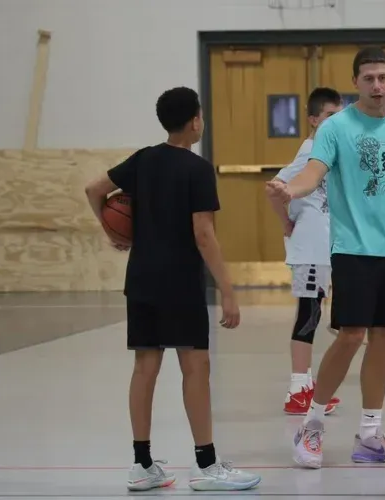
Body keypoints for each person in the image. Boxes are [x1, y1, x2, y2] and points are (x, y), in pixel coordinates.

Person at [266, 46, 385, 469]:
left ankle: (370, 435)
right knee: (351, 335)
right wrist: (290, 190)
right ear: (356, 82)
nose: (377, 85)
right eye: (368, 79)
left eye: (383, 77)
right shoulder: (336, 128)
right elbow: (313, 174)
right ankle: (312, 425)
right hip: (354, 248)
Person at [83, 87, 261, 491]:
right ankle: (206, 465)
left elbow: (94, 190)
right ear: (196, 121)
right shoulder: (198, 169)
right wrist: (228, 290)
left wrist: (112, 231)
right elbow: (204, 234)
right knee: (195, 367)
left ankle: (142, 465)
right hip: (180, 282)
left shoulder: (143, 159)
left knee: (144, 368)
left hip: (142, 278)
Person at [269, 87, 345, 416]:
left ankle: (306, 386)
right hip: (311, 247)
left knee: (314, 314)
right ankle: (297, 389)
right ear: (314, 119)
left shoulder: (326, 150)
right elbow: (274, 188)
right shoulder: (310, 151)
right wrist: (286, 223)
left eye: (339, 115)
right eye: (329, 115)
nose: (336, 121)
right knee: (309, 315)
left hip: (323, 247)